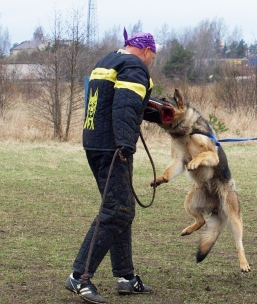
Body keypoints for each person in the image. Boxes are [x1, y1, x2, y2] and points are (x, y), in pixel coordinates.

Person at [64, 28, 156, 303]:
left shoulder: (108, 61)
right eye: (153, 57)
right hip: (113, 147)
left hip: (94, 141)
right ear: (147, 51)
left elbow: (114, 102)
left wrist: (158, 112)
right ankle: (79, 276)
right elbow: (125, 108)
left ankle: (126, 277)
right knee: (116, 210)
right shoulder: (136, 66)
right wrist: (126, 145)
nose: (151, 62)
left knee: (122, 209)